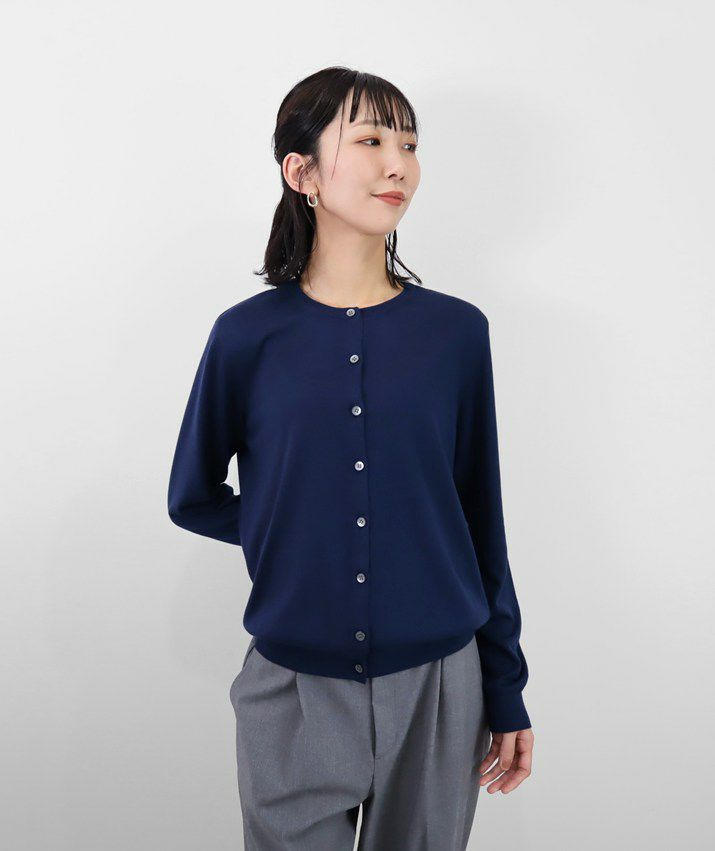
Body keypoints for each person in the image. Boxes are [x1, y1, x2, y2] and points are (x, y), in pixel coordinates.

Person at [167, 66, 534, 850]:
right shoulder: (246, 336)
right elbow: (192, 494)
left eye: (409, 144)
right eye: (369, 141)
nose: (397, 164)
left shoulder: (455, 333)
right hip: (292, 686)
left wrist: (505, 685)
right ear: (301, 172)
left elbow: (480, 518)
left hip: (438, 683)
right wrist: (295, 527)